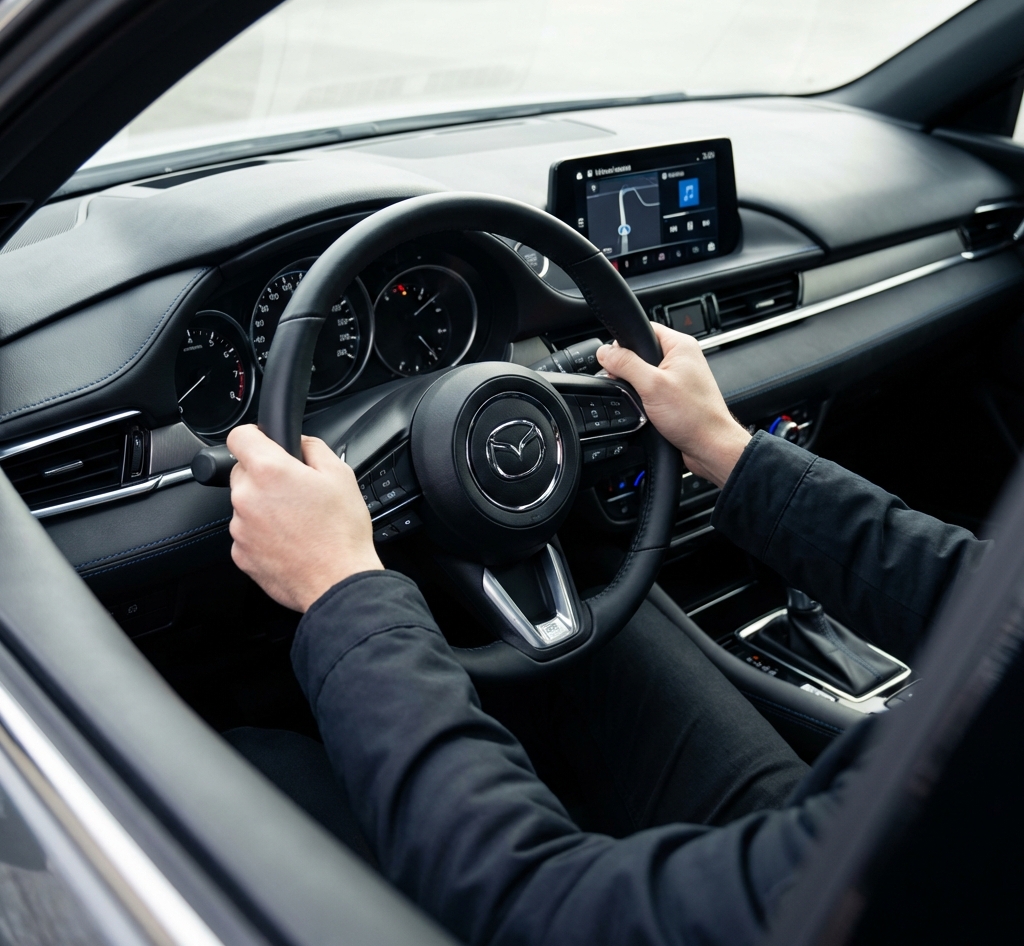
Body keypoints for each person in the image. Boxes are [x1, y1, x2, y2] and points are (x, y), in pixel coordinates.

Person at [225, 324, 988, 946]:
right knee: (595, 630)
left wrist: (341, 588)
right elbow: (993, 606)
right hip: (848, 828)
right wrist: (727, 448)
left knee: (248, 761)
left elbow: (531, 906)